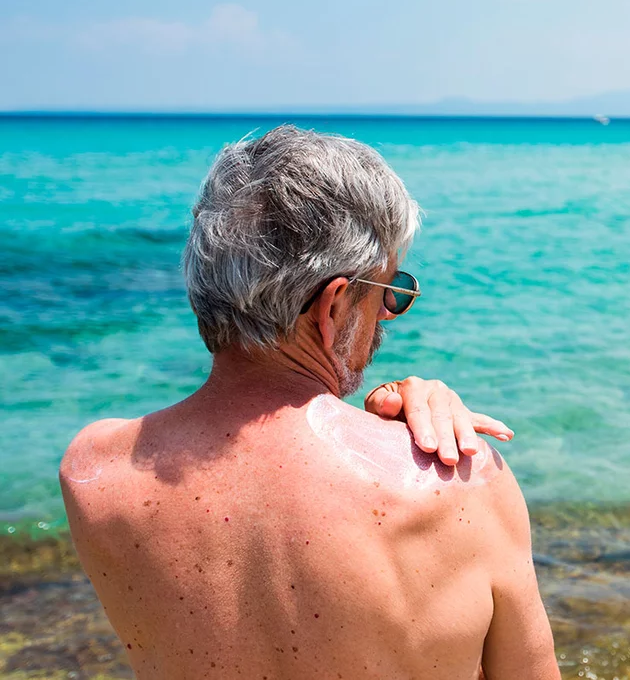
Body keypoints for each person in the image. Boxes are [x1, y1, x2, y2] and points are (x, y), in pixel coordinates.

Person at [59, 125, 560, 680]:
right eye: (390, 292)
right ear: (335, 306)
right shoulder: (462, 487)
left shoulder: (93, 470)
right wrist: (400, 445)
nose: (389, 317)